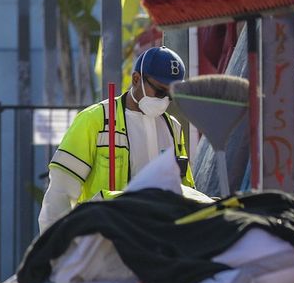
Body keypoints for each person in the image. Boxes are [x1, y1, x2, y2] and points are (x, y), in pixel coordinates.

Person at [38, 46, 194, 232]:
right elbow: (59, 194)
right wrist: (55, 252)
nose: (165, 100)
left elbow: (186, 192)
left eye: (171, 95)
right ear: (136, 79)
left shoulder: (173, 128)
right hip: (107, 243)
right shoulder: (94, 121)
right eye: (160, 91)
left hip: (158, 246)